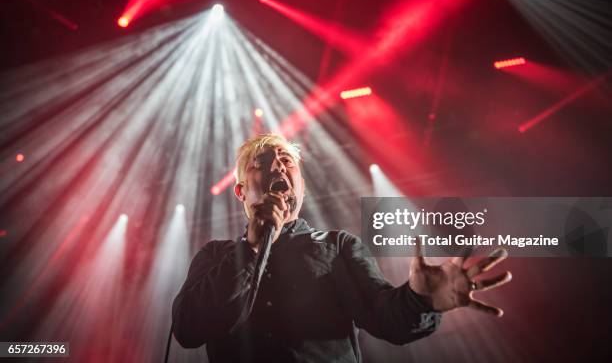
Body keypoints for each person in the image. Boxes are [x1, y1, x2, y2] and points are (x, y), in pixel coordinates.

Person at [172, 134, 511, 362]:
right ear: (241, 192)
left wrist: (420, 300)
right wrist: (251, 248)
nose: (277, 166)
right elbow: (188, 330)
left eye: (286, 162)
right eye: (260, 164)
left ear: (301, 186)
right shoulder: (215, 256)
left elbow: (383, 317)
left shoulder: (337, 247)